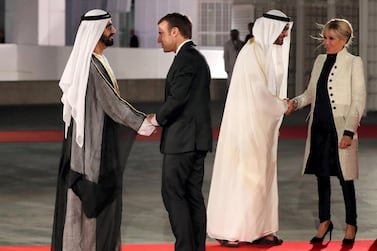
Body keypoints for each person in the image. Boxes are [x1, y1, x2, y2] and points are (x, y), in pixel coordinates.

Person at [51, 9, 155, 251]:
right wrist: (143, 122)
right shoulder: (92, 66)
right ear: (96, 32)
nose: (114, 31)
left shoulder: (95, 61)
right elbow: (113, 105)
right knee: (88, 201)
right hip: (89, 147)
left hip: (88, 140)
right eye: (109, 27)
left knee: (82, 202)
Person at [206, 10, 293, 247]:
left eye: (286, 30)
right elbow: (259, 94)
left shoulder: (267, 53)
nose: (285, 35)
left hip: (263, 128)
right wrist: (281, 106)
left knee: (262, 178)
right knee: (244, 178)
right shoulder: (252, 52)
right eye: (283, 30)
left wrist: (280, 105)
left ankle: (261, 228)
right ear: (270, 29)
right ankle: (231, 230)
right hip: (245, 129)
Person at [286, 18, 366, 246]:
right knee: (322, 177)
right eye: (325, 38)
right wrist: (295, 102)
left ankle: (351, 224)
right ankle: (324, 222)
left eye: (331, 39)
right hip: (319, 126)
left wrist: (350, 131)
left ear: (344, 40)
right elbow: (311, 93)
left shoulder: (354, 62)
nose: (326, 42)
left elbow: (358, 100)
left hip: (341, 127)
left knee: (345, 178)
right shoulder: (320, 60)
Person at [147, 12, 212, 251]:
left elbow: (178, 99)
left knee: (173, 194)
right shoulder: (195, 57)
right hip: (195, 141)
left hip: (182, 142)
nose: (158, 39)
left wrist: (156, 119)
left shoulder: (186, 59)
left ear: (176, 32)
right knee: (192, 196)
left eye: (161, 33)